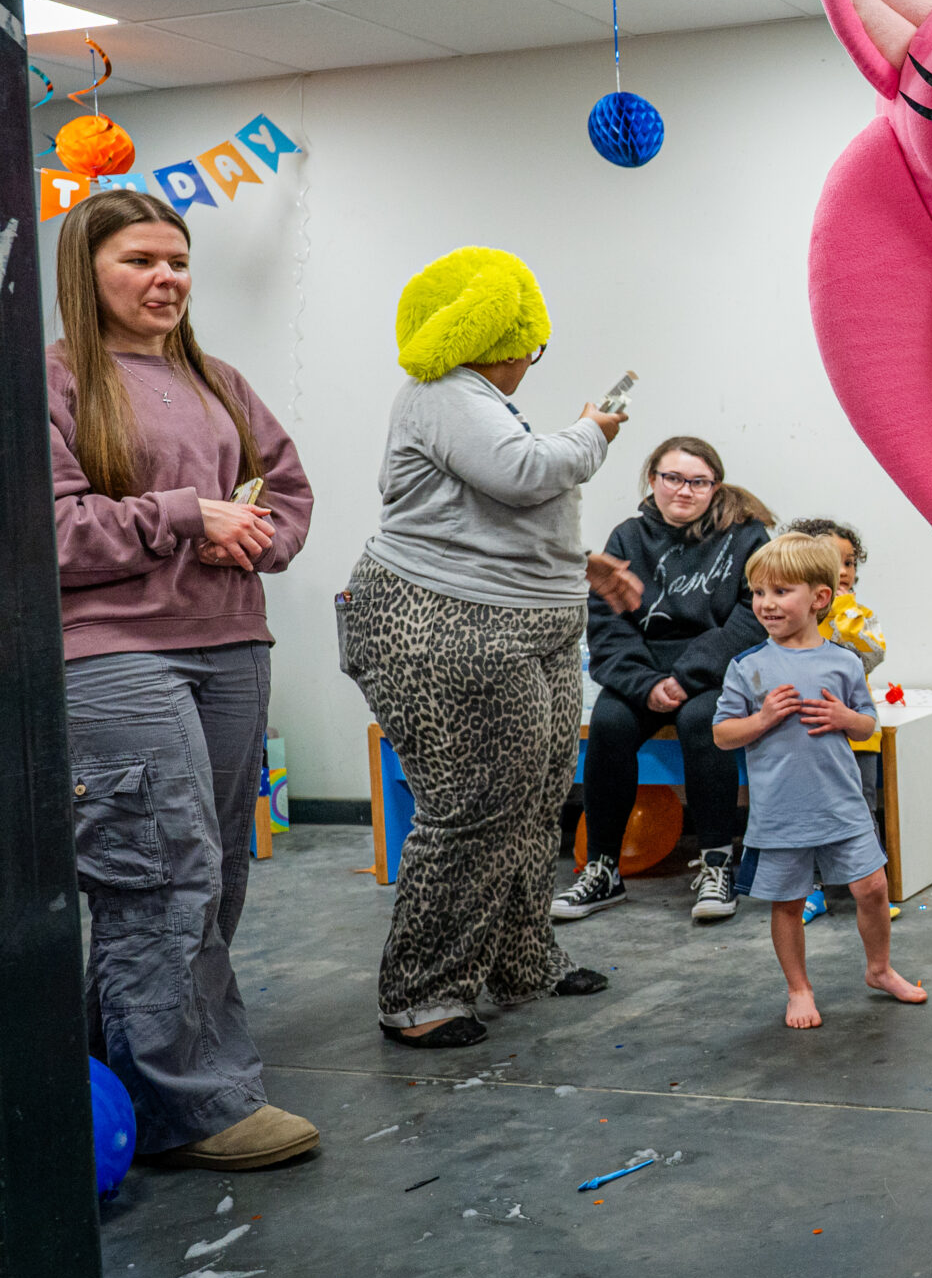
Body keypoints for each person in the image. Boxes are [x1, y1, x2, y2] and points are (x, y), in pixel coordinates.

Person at [49, 190, 318, 1170]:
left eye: (178, 261)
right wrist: (185, 515)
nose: (165, 278)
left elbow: (287, 493)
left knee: (214, 875)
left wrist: (255, 536)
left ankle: (113, 1074)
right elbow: (50, 528)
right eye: (139, 261)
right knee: (161, 871)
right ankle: (192, 1107)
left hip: (231, 642)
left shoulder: (220, 382)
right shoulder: (53, 382)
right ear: (87, 272)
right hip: (114, 651)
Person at [341, 246, 625, 1050]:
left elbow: (477, 513)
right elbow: (521, 473)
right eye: (533, 347)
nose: (531, 363)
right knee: (475, 808)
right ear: (508, 339)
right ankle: (422, 992)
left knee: (536, 801)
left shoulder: (474, 401)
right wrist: (593, 431)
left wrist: (580, 561)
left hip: (526, 623)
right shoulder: (441, 393)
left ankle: (522, 959)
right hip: (451, 624)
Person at [556, 438, 772, 925]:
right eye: (672, 478)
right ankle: (603, 870)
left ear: (714, 487)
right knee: (609, 723)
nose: (684, 490)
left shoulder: (746, 537)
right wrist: (646, 684)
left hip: (715, 673)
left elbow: (752, 617)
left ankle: (717, 862)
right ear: (652, 480)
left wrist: (686, 678)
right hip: (643, 674)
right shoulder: (627, 538)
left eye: (698, 481)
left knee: (703, 722)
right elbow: (608, 623)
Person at [712, 533, 924, 1024]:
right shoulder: (747, 667)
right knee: (787, 902)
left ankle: (879, 969)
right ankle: (798, 988)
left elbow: (868, 724)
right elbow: (722, 734)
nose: (766, 603)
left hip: (842, 805)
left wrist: (846, 718)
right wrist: (762, 719)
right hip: (781, 811)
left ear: (819, 598)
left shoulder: (845, 661)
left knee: (873, 887)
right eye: (758, 592)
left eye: (780, 591)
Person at [782, 515, 889, 925]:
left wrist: (843, 610)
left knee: (861, 807)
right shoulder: (792, 615)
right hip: (806, 735)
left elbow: (870, 655)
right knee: (808, 809)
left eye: (849, 562)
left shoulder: (858, 615)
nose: (843, 571)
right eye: (832, 560)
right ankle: (812, 889)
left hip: (855, 734)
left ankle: (872, 889)